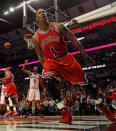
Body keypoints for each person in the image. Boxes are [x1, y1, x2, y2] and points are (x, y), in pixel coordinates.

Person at [32, 8, 115, 123]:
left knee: (87, 86)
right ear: (36, 19)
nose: (43, 14)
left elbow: (74, 39)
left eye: (44, 13)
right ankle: (64, 112)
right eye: (39, 13)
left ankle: (102, 106)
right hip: (51, 61)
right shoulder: (35, 37)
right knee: (48, 82)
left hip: (66, 58)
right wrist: (45, 68)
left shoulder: (59, 26)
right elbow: (40, 55)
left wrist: (85, 55)